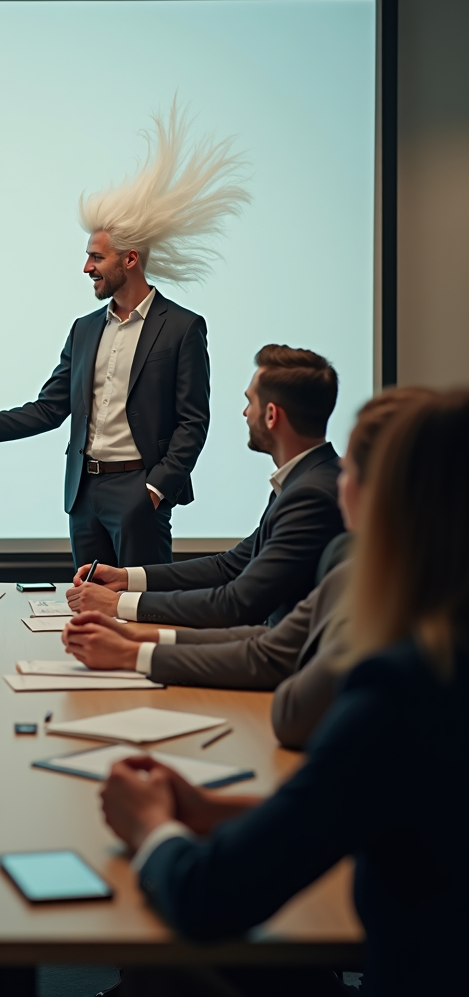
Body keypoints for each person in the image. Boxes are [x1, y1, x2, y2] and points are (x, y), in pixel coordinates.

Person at [98, 391, 469, 997]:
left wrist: (151, 827)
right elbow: (386, 814)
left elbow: (208, 899)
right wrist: (215, 812)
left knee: (158, 973)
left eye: (349, 470)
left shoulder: (404, 691)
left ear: (383, 503)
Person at [0, 101, 251, 567]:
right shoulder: (84, 331)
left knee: (138, 612)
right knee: (91, 613)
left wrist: (155, 489)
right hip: (83, 495)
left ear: (130, 259)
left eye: (96, 258)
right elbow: (50, 407)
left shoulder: (182, 327)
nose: (86, 268)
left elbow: (192, 422)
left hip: (139, 493)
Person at [63, 388, 428, 749]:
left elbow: (280, 681)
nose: (339, 479)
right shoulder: (377, 565)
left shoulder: (345, 553)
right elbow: (241, 584)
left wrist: (129, 642)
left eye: (348, 469)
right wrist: (133, 622)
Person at [68, 344, 344, 628]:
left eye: (251, 402)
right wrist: (125, 577)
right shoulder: (308, 479)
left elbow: (236, 604)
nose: (245, 413)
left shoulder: (310, 494)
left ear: (272, 415)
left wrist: (118, 603)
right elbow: (229, 567)